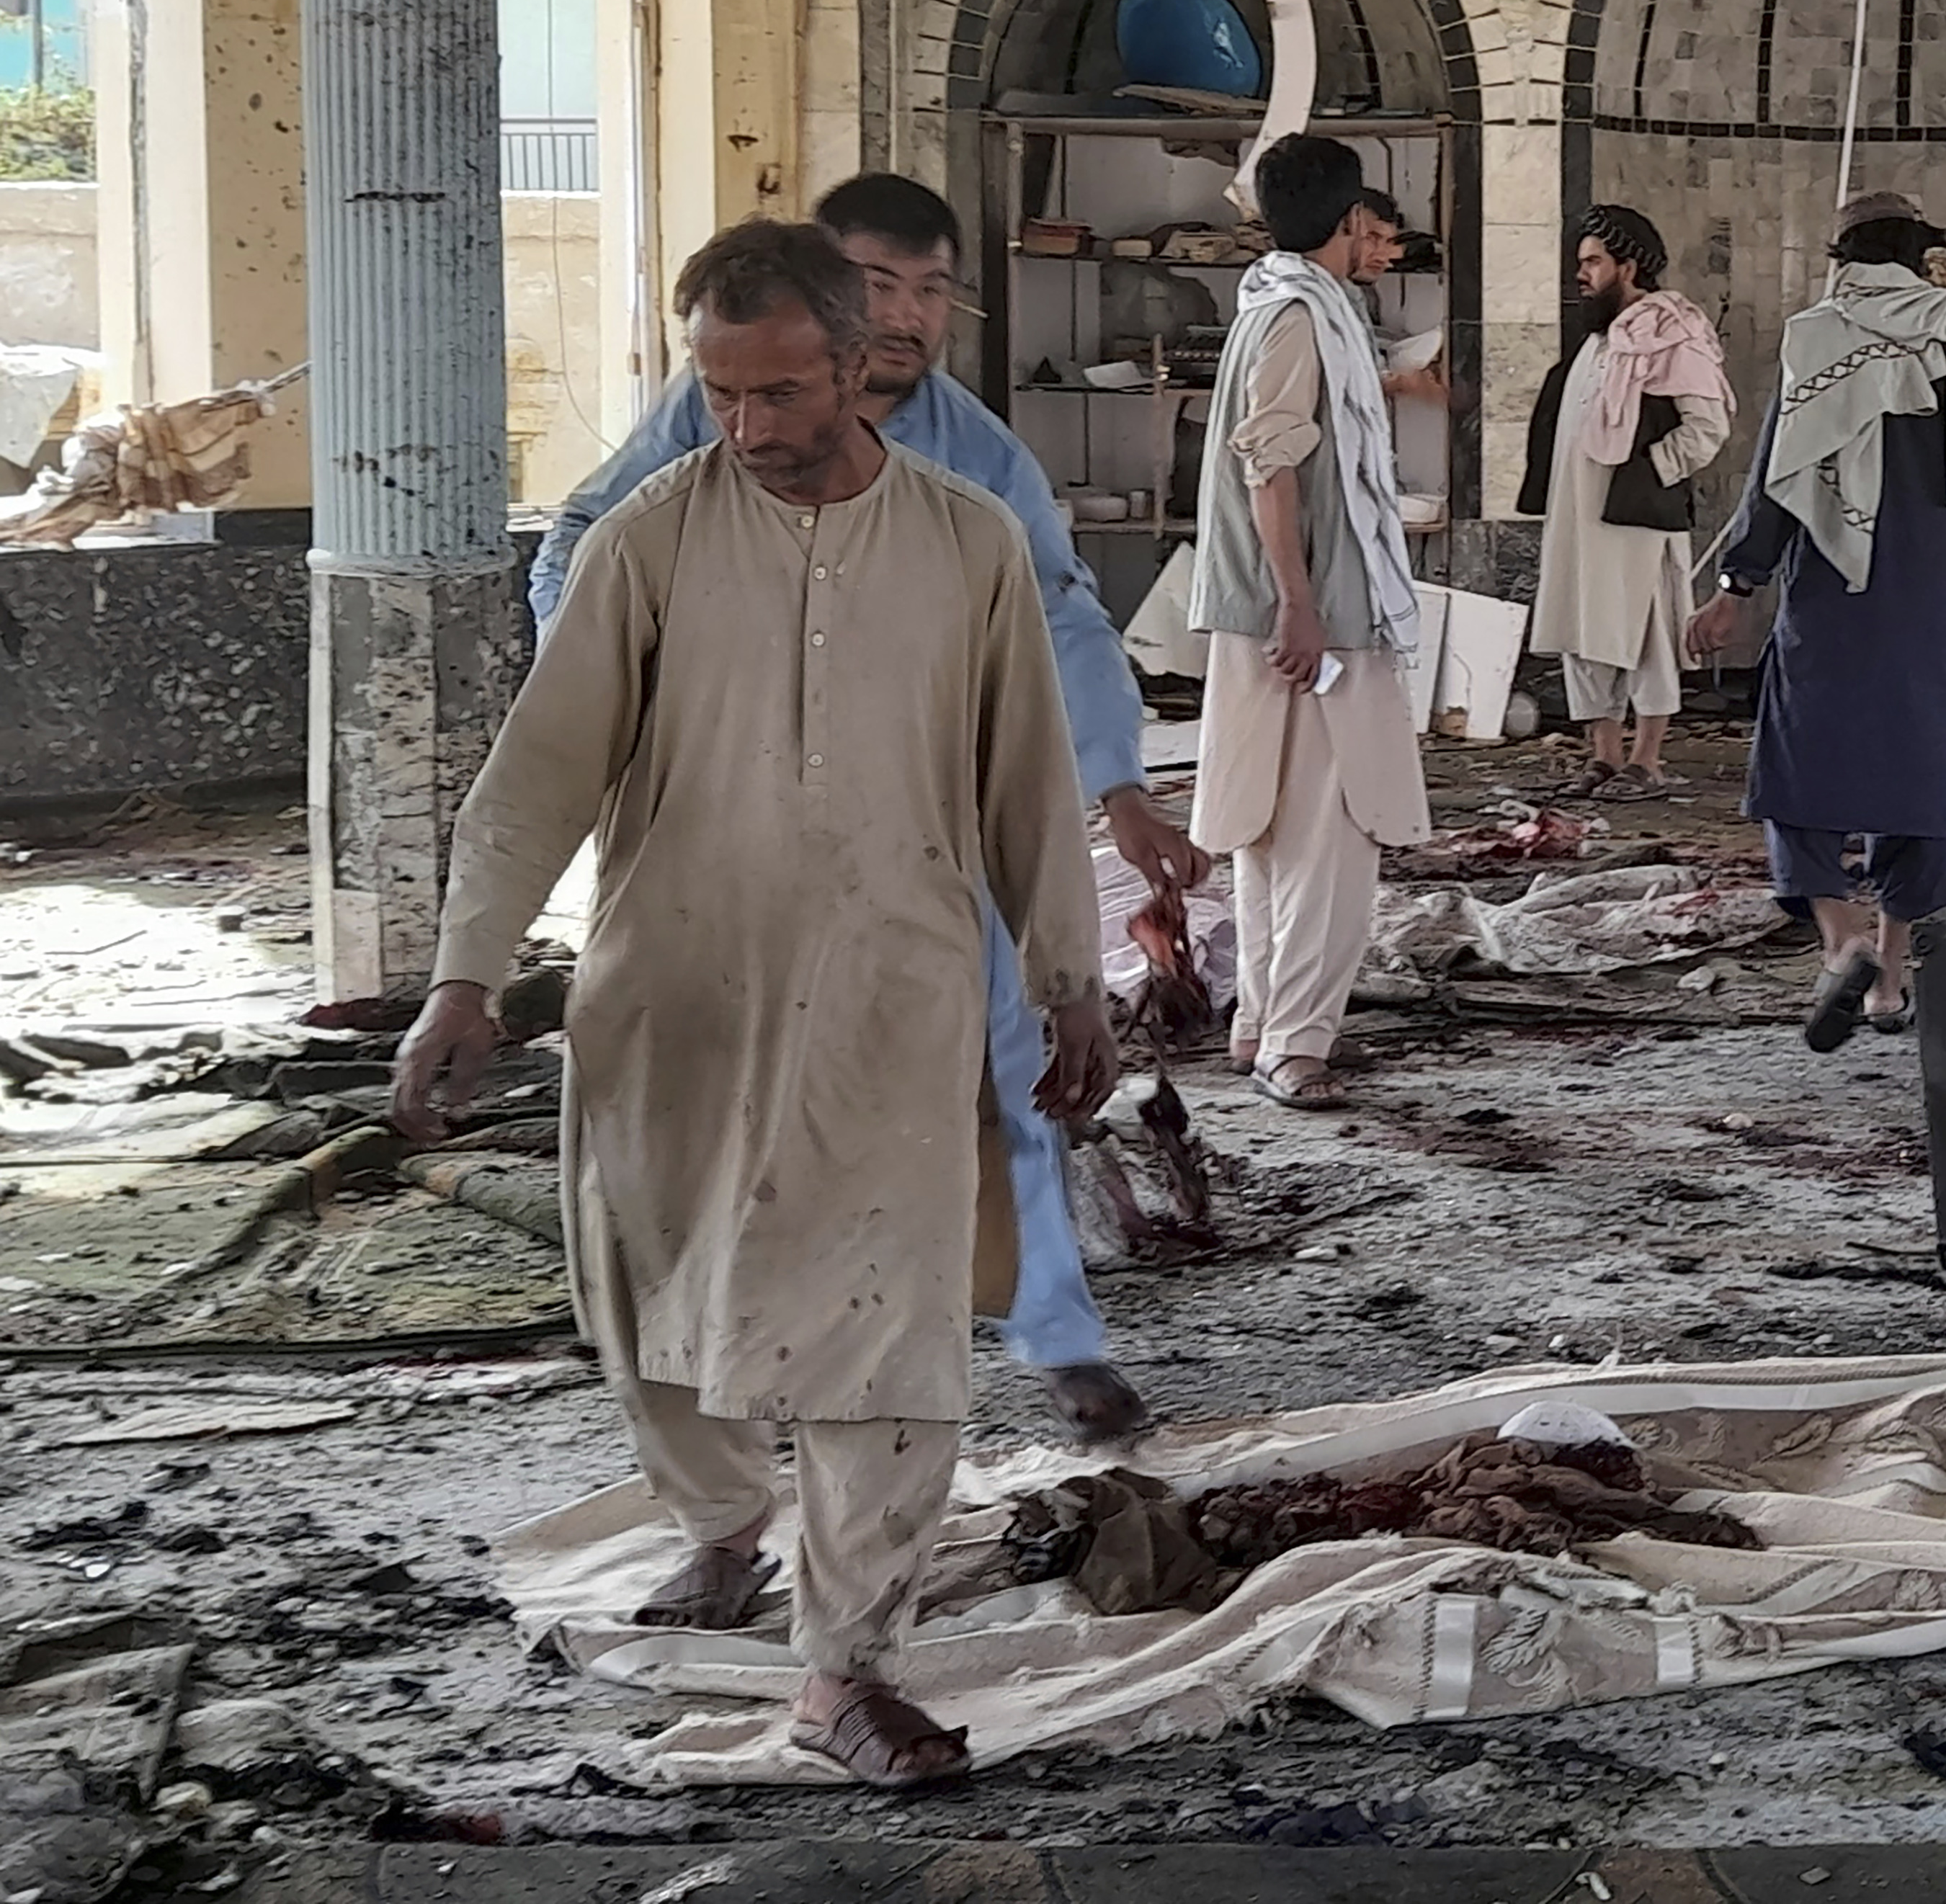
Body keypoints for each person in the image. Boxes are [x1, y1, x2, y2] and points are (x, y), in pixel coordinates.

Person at [393, 222, 1113, 1788]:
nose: (753, 428)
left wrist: (1072, 974)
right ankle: (723, 1517)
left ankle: (847, 1668)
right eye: (721, 394)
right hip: (673, 998)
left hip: (889, 1000)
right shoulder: (646, 540)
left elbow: (1028, 786)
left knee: (891, 1334)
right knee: (659, 1303)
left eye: (784, 390)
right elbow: (537, 780)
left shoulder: (969, 540)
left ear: (864, 366)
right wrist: (465, 973)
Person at [528, 172, 1200, 1441]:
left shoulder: (979, 463)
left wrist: (1118, 786)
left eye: (931, 288)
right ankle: (730, 1383)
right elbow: (579, 552)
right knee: (722, 1106)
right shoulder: (711, 424)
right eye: (876, 284)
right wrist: (641, 724)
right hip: (729, 840)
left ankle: (1054, 1335)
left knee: (1016, 1070)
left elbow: (1062, 619)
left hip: (916, 838)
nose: (905, 315)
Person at [1685, 191, 1946, 1046]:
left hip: (1836, 592)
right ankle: (1891, 979)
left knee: (1801, 764)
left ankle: (1841, 940)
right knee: (1924, 781)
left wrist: (1736, 583)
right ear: (1921, 254)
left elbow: (1778, 476)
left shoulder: (1820, 333)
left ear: (1845, 256)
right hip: (1938, 590)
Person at [1193, 135, 1436, 1110]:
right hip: (1313, 612)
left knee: (1270, 824)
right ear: (1348, 220)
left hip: (1290, 606)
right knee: (1332, 835)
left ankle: (1262, 1022)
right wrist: (1298, 601)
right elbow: (1272, 463)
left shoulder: (1283, 300)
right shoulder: (1297, 315)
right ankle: (1295, 1041)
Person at [1517, 204, 1733, 802]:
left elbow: (1707, 427)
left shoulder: (1672, 332)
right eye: (1579, 262)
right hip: (1579, 514)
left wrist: (1648, 475)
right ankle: (1605, 756)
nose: (1581, 274)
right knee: (1582, 626)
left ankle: (1648, 758)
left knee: (1647, 634)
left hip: (1636, 517)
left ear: (1628, 265)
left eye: (1593, 262)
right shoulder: (1597, 341)